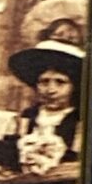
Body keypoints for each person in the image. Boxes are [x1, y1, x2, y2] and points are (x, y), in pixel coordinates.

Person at [6, 41, 85, 170]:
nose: (50, 90)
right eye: (44, 82)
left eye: (60, 82)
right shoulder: (27, 117)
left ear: (74, 87)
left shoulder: (80, 121)